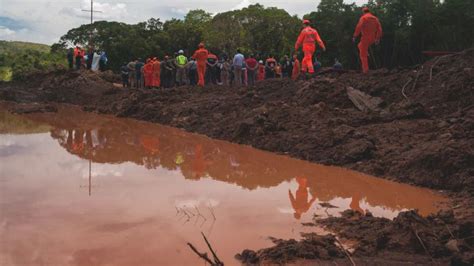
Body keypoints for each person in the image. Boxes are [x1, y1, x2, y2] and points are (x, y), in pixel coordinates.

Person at [353, 7, 383, 74]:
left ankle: (365, 70)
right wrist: (377, 38)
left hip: (365, 38)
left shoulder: (363, 18)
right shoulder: (375, 19)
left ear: (363, 12)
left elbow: (359, 26)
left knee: (362, 55)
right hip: (372, 38)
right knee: (360, 46)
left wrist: (355, 36)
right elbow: (380, 29)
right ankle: (366, 52)